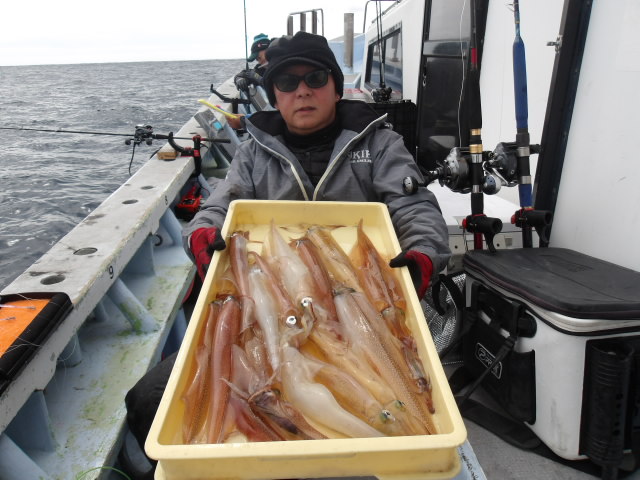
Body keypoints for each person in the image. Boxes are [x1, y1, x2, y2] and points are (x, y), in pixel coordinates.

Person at [124, 31, 450, 473]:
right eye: (287, 82)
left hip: (360, 302)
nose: (302, 91)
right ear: (275, 95)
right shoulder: (254, 151)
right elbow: (219, 205)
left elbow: (414, 207)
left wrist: (423, 252)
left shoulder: (378, 143)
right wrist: (202, 234)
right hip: (269, 311)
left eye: (315, 78)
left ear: (335, 86)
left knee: (406, 401)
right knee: (147, 399)